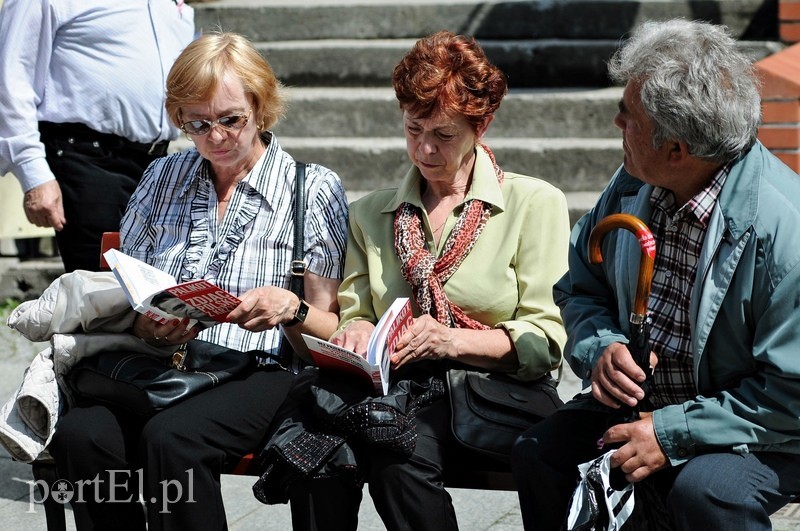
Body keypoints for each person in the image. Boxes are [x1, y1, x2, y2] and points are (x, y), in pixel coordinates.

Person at [48, 32, 349, 531]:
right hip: (161, 362)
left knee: (173, 439)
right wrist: (149, 325)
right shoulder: (163, 175)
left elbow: (330, 324)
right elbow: (130, 287)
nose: (215, 137)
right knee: (82, 434)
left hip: (263, 368)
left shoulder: (312, 188)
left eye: (231, 119)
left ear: (261, 105)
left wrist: (288, 309)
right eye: (197, 123)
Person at [512, 18, 800, 531]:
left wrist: (670, 433)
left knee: (708, 491)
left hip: (761, 427)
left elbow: (789, 394)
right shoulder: (632, 183)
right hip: (646, 406)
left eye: (629, 118)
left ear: (677, 150)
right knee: (541, 452)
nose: (616, 124)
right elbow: (580, 289)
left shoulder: (782, 231)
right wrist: (599, 349)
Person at [285, 30, 570, 530]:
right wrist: (355, 330)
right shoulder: (371, 213)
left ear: (482, 126)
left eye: (443, 135)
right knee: (317, 452)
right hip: (395, 390)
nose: (424, 149)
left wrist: (448, 340)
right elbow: (357, 314)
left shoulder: (533, 203)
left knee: (398, 451)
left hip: (491, 391)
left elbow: (544, 342)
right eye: (414, 129)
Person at [0, 0, 195, 272]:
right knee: (104, 293)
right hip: (88, 160)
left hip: (157, 165)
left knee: (154, 293)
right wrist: (32, 172)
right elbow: (11, 78)